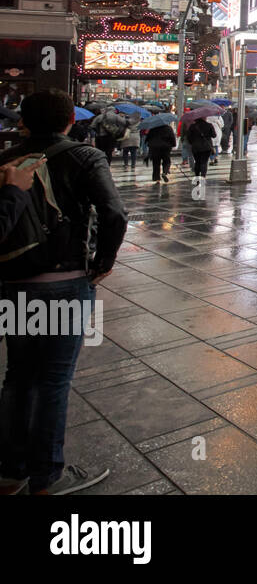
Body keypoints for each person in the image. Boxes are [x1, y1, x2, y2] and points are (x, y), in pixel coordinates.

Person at [0, 89, 125, 495]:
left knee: (18, 376)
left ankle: (12, 471)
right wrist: (102, 263)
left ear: (25, 120)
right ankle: (47, 476)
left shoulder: (6, 161)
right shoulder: (85, 156)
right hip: (64, 283)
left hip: (14, 283)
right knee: (53, 379)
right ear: (70, 118)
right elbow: (113, 214)